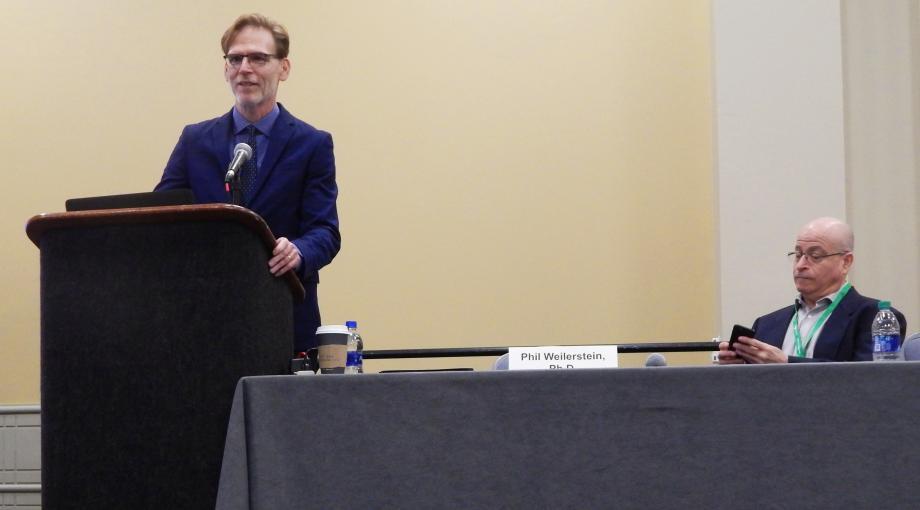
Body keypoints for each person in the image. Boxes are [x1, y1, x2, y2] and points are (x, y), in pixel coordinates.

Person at [155, 13, 340, 352]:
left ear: (283, 68)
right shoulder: (195, 140)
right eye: (235, 58)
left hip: (282, 314)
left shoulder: (312, 144)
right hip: (204, 317)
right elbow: (162, 215)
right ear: (226, 68)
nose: (244, 68)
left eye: (258, 58)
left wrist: (298, 251)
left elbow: (325, 233)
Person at [719, 217, 906, 364]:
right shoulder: (766, 324)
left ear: (845, 262)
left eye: (814, 256)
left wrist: (787, 363)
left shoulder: (875, 317)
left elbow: (874, 380)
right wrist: (739, 366)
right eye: (798, 254)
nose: (801, 265)